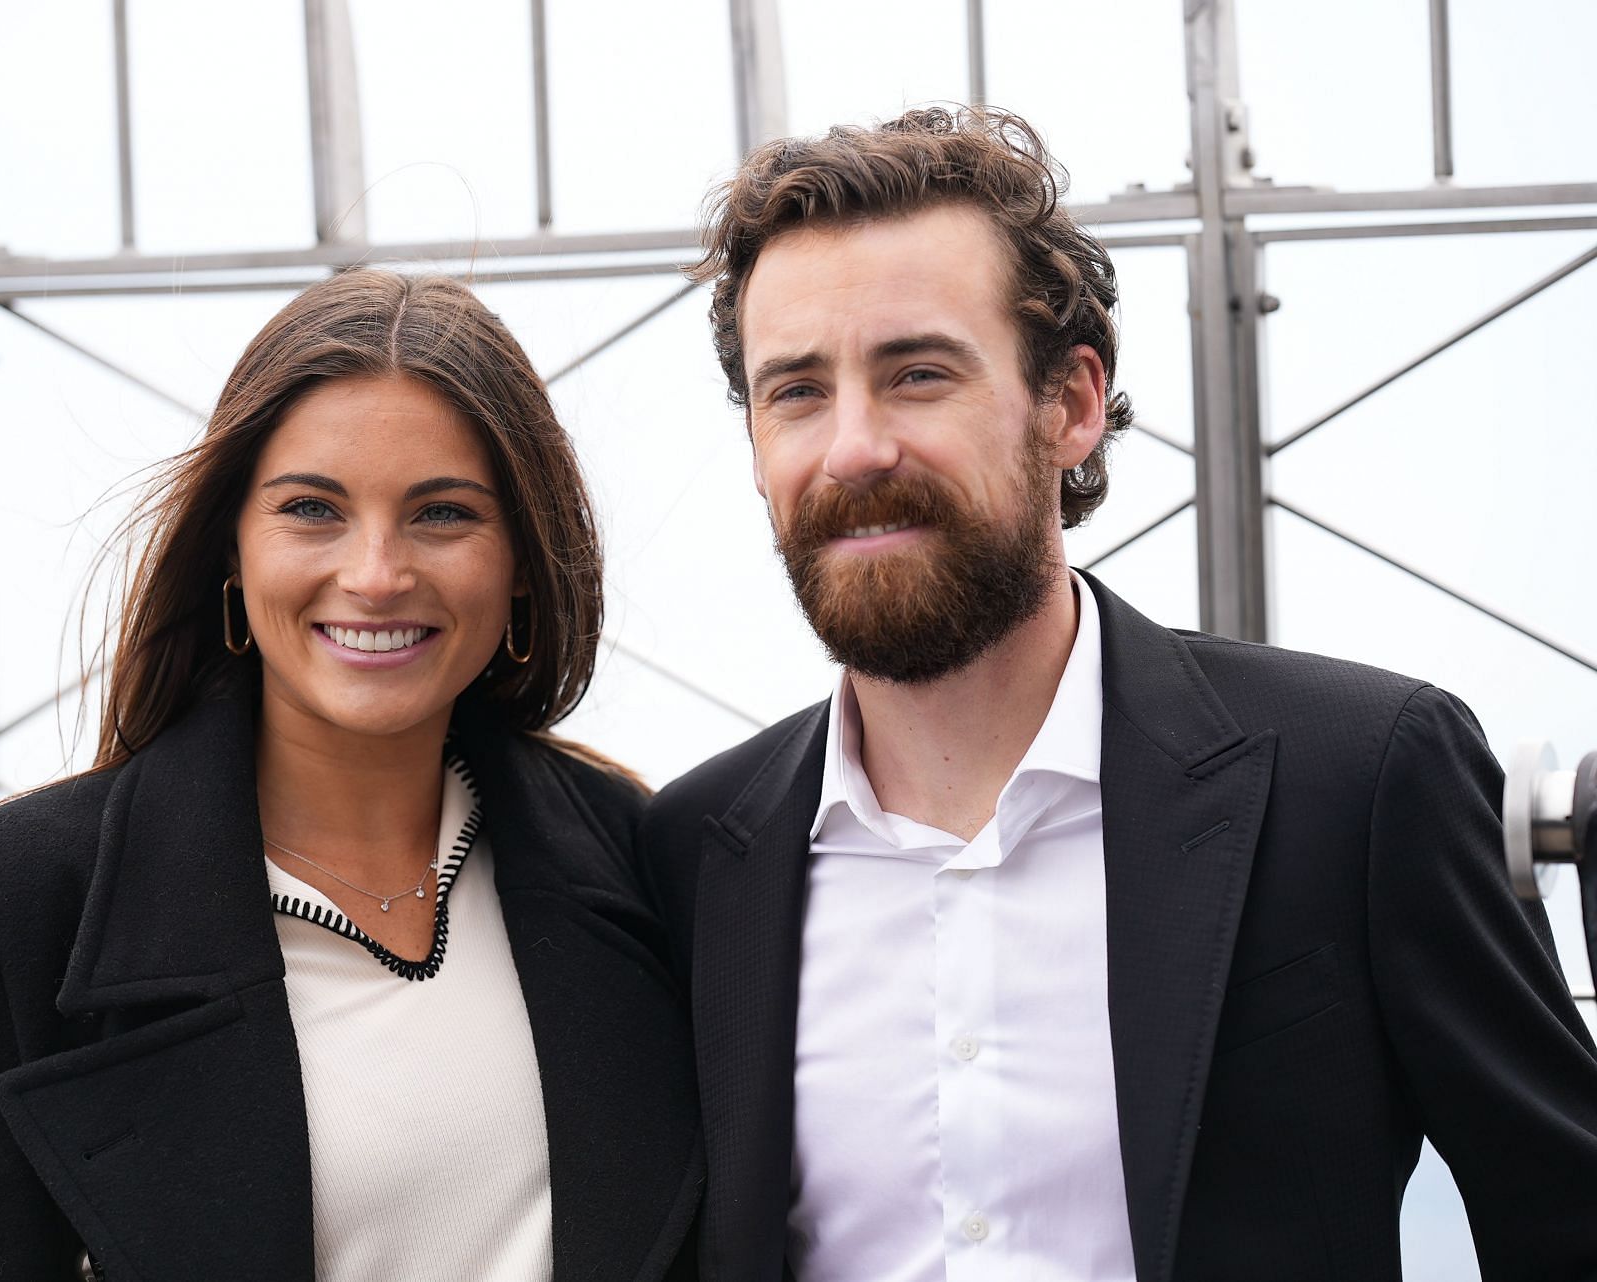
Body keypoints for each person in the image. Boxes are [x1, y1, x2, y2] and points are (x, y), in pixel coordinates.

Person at [639, 107, 1597, 1282]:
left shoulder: (1362, 774)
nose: (853, 448)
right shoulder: (692, 856)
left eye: (918, 374)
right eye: (795, 392)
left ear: (1073, 403)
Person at [0, 271, 701, 1281]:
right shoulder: (8, 907)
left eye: (442, 513)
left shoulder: (648, 858)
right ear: (232, 546)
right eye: (313, 509)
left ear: (524, 557)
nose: (377, 572)